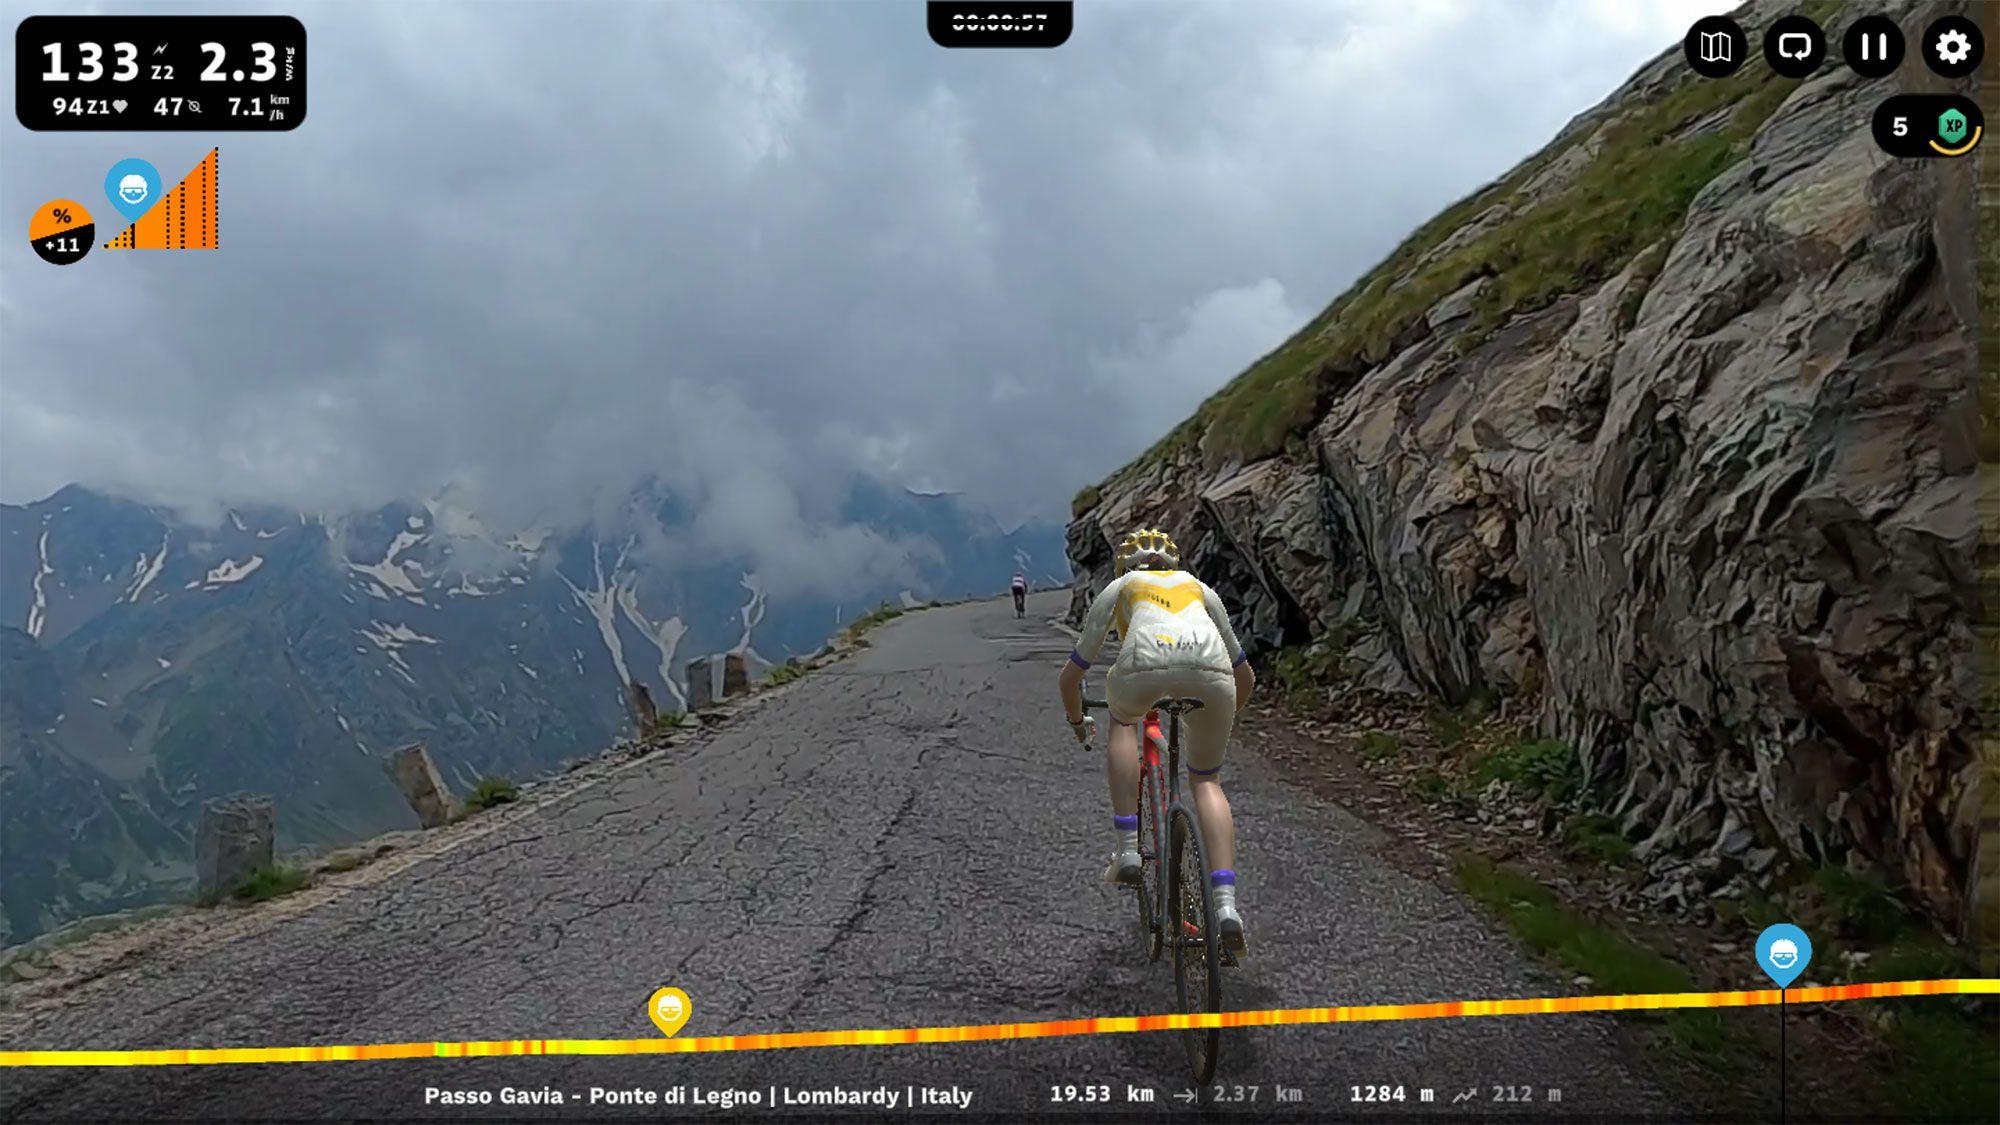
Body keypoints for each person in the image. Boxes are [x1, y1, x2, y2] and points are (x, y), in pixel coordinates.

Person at [1056, 527, 1255, 954]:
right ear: (1174, 565)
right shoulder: (1199, 588)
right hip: (1214, 674)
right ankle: (1225, 908)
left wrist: (1078, 720)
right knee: (1206, 780)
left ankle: (1128, 849)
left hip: (1143, 665)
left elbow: (1072, 675)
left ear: (1126, 565)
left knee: (1124, 724)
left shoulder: (1122, 586)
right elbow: (1245, 675)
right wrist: (1222, 719)